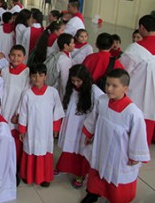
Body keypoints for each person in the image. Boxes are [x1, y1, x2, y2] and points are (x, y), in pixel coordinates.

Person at [81, 69, 150, 203]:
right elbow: (93, 118)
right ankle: (93, 193)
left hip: (120, 153)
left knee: (116, 178)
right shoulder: (102, 100)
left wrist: (135, 156)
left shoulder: (133, 113)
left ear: (125, 88)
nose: (109, 89)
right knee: (96, 169)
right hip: (101, 145)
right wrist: (89, 134)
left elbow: (138, 136)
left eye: (114, 86)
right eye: (107, 84)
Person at [55, 65, 103, 189]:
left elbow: (101, 107)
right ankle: (63, 167)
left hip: (84, 126)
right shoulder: (71, 88)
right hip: (71, 123)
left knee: (82, 149)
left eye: (79, 81)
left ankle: (80, 175)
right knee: (69, 146)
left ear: (85, 79)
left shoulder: (94, 91)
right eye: (73, 80)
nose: (76, 84)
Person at [18, 63, 64, 187]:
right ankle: (29, 175)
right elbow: (23, 113)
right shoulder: (27, 94)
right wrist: (22, 130)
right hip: (31, 131)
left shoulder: (52, 92)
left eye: (40, 75)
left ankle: (44, 177)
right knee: (31, 150)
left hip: (46, 131)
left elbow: (57, 111)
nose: (37, 78)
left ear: (46, 76)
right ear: (30, 78)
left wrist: (56, 128)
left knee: (45, 151)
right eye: (34, 76)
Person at [120, 15, 155, 147]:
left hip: (135, 97)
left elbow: (121, 71)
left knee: (131, 134)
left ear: (141, 28)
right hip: (153, 100)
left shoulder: (135, 49)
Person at [1, 45, 30, 165]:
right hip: (3, 107)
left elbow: (25, 94)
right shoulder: (4, 70)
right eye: (13, 55)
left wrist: (18, 113)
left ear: (24, 57)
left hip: (16, 110)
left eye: (19, 56)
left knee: (15, 137)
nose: (15, 58)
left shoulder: (26, 72)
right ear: (9, 56)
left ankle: (15, 164)